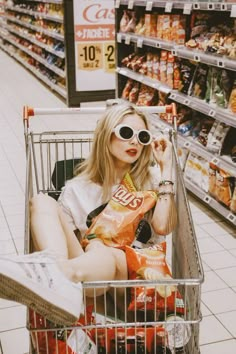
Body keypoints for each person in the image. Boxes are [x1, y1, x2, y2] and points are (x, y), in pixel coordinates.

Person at [0, 103, 177, 326]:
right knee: (41, 201)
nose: (134, 141)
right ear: (106, 135)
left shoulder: (152, 179)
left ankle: (54, 276)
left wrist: (167, 167)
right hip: (92, 278)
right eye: (125, 132)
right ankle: (52, 270)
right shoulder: (77, 188)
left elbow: (163, 227)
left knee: (100, 248)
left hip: (134, 281)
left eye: (142, 136)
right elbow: (70, 243)